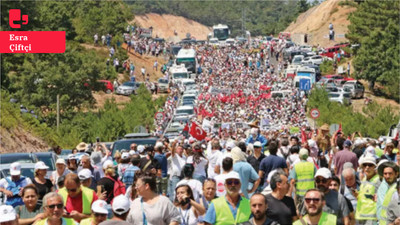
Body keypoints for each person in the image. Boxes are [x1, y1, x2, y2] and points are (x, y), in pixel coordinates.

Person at [355, 156, 380, 224]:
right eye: (365, 165)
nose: (367, 167)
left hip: (371, 218)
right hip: (360, 215)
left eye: (370, 165)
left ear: (375, 167)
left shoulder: (378, 181)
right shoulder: (364, 179)